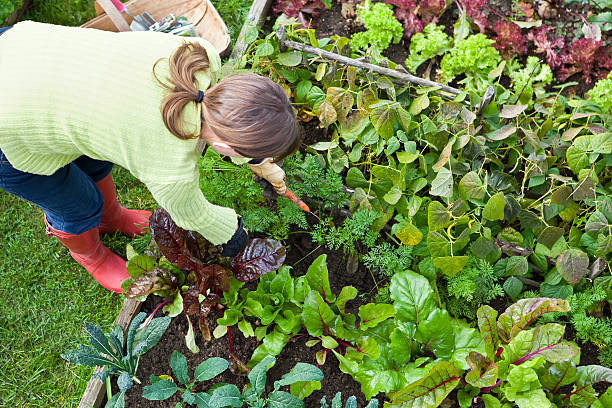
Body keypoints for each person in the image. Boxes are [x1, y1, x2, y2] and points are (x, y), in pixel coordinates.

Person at [0, 21, 300, 293]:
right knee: (77, 203)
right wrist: (232, 235)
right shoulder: (170, 166)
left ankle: (111, 217)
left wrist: (259, 160)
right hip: (8, 116)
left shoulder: (200, 56)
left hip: (26, 48)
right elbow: (192, 214)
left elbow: (231, 126)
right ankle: (93, 257)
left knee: (95, 156)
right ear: (226, 145)